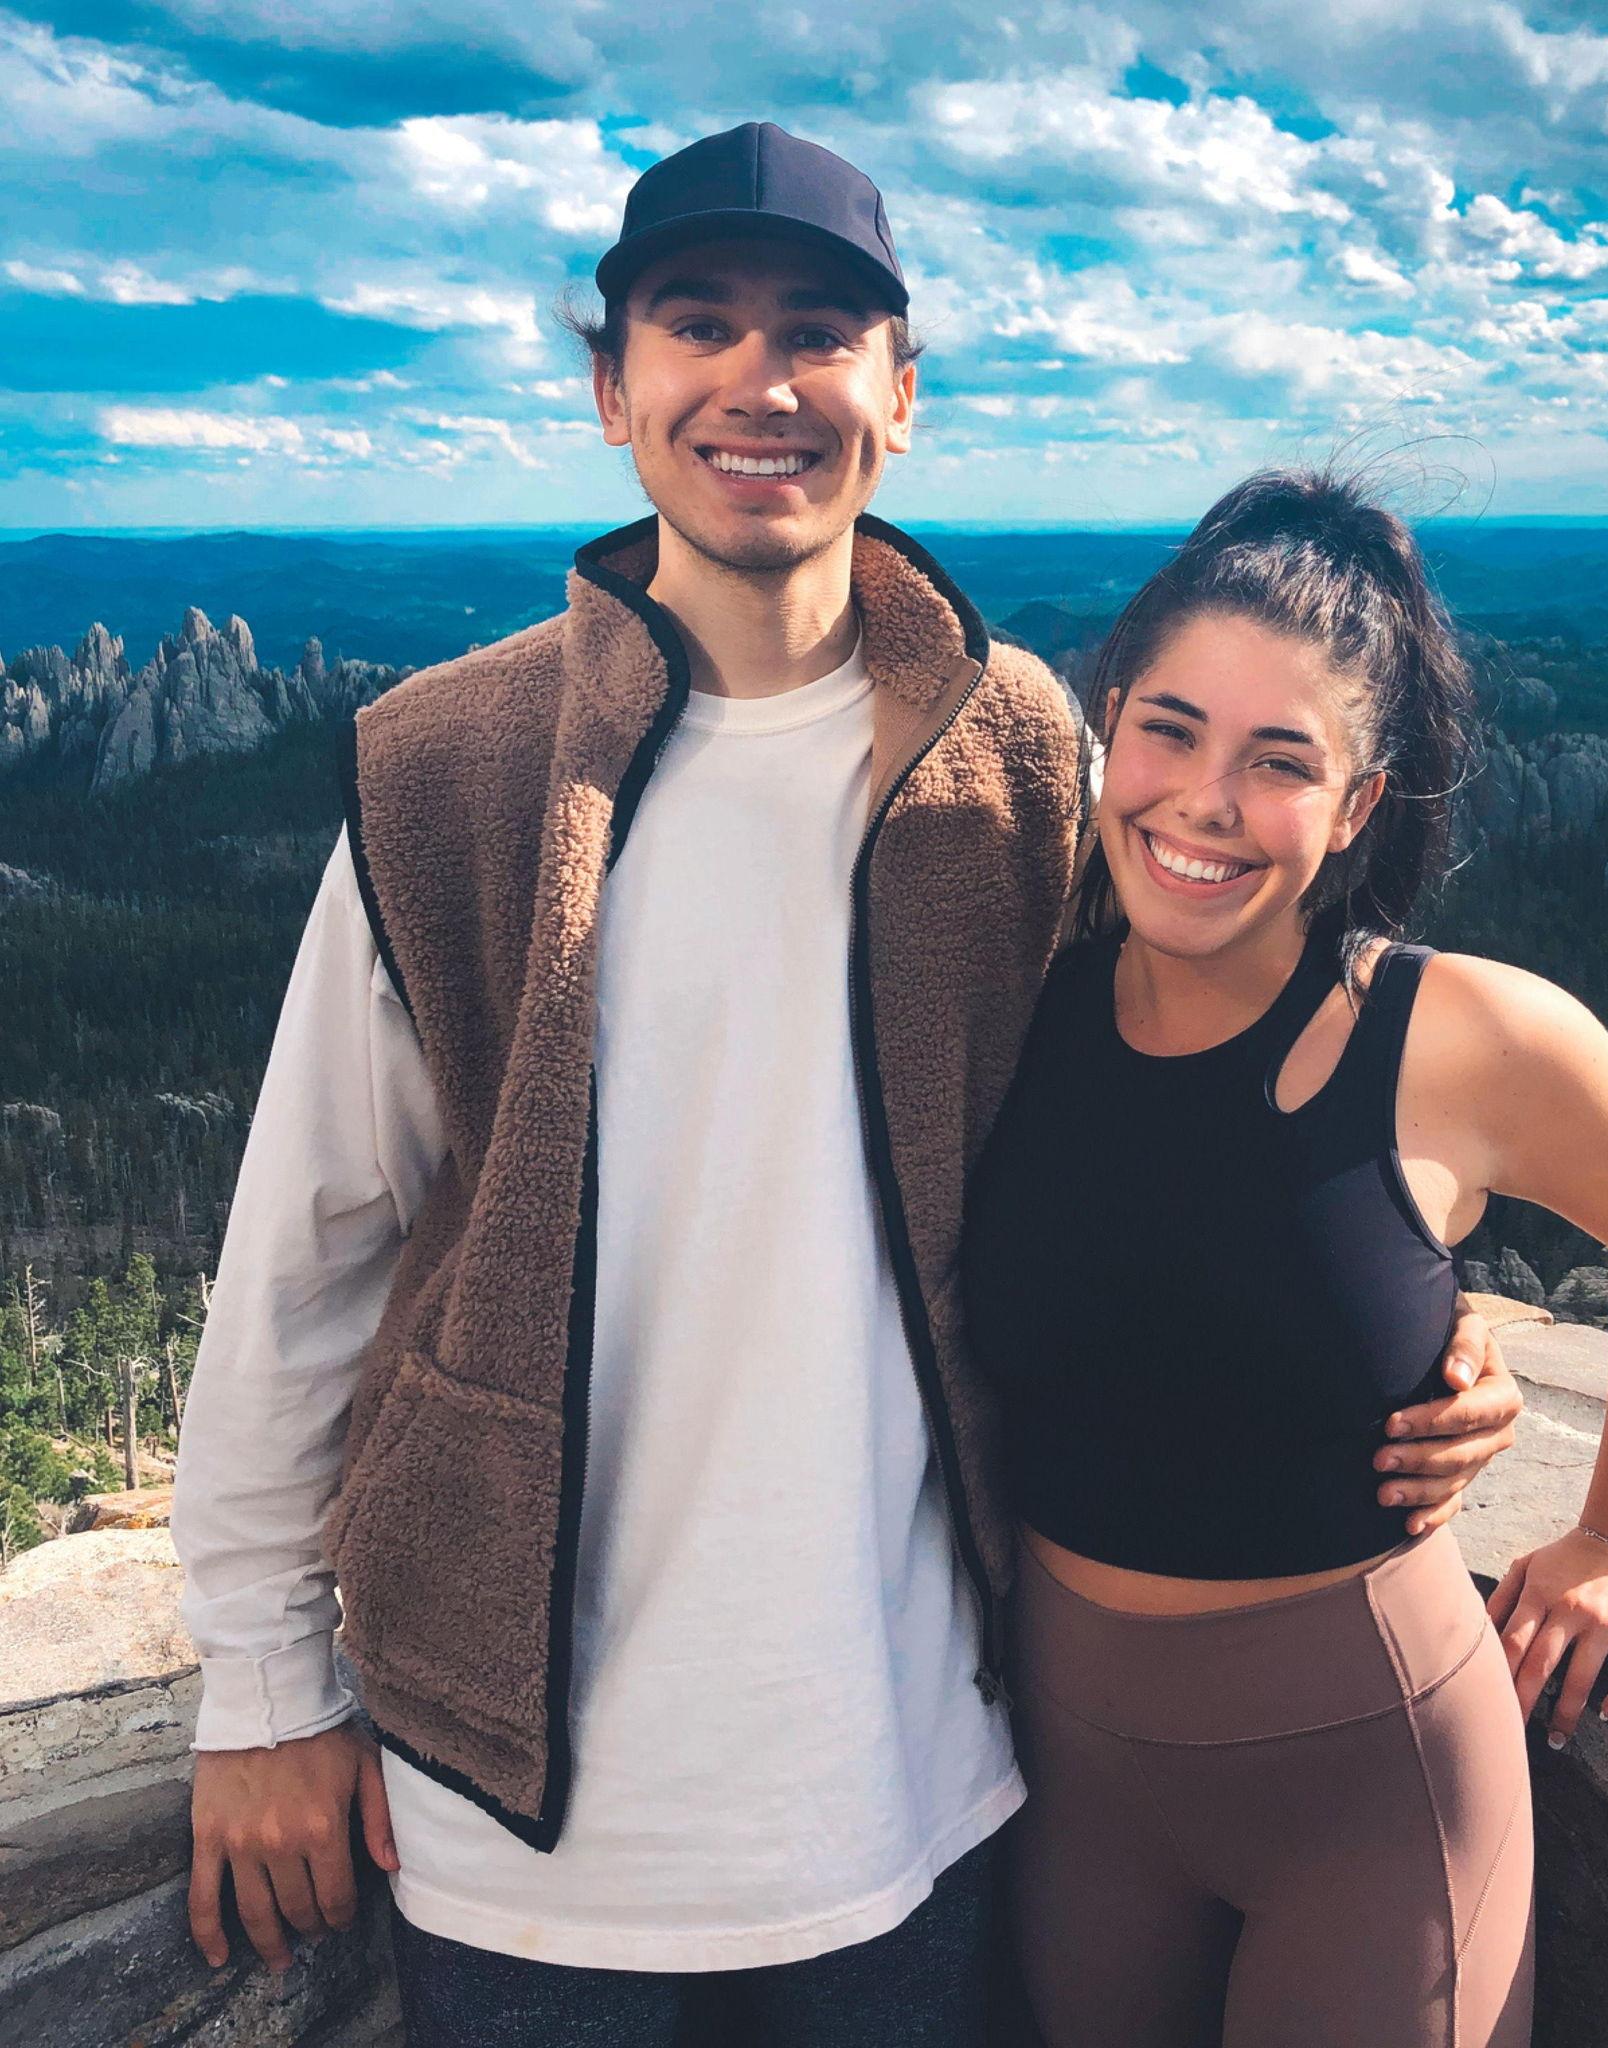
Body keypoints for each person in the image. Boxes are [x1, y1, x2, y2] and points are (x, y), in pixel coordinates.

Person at [167, 127, 1527, 2047]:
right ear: (610, 388)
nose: (761, 378)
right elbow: (304, 1254)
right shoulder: (448, 770)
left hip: (917, 1806)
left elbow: (1178, 1091)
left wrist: (1407, 1327)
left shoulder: (1019, 756)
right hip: (518, 1838)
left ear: (900, 394)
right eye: (696, 323)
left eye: (820, 331)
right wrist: (259, 1689)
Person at [961, 464, 1608, 2048]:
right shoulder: (1021, 997)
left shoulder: (1458, 1037)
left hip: (1368, 1792)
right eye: (1168, 728)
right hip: (1071, 1772)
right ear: (1108, 723)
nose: (1202, 803)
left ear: (1359, 806)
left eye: (1279, 762)